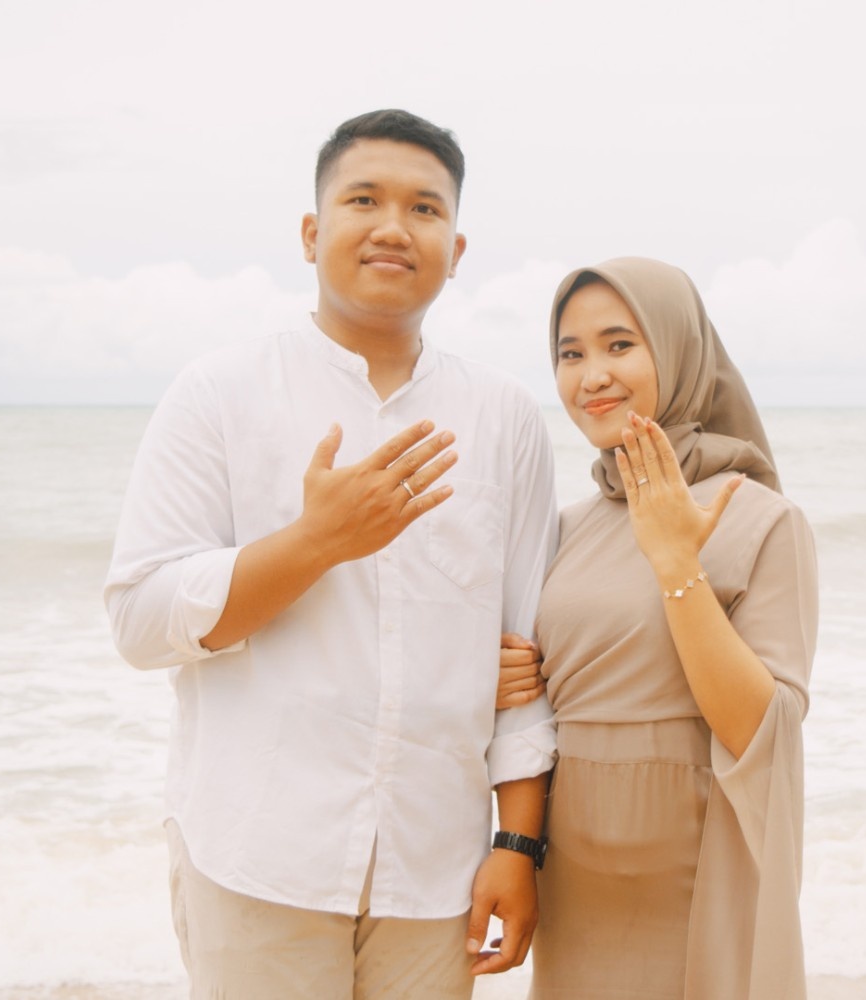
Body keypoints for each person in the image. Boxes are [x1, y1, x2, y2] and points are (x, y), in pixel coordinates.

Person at [104, 109, 558, 999]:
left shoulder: (504, 416)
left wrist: (517, 843)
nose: (394, 227)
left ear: (457, 250)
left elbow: (523, 651)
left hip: (435, 865)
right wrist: (313, 545)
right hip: (257, 851)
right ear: (312, 234)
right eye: (364, 200)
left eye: (425, 209)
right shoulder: (219, 392)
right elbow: (140, 621)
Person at [498, 257, 817, 1000]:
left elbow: (763, 729)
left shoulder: (762, 518)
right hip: (575, 877)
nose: (592, 376)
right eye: (570, 354)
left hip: (700, 870)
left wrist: (676, 561)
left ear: (677, 352)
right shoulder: (564, 529)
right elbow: (537, 710)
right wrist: (502, 679)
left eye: (619, 344)